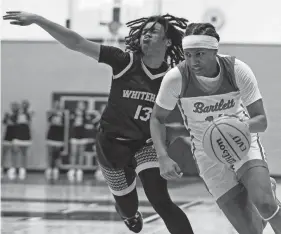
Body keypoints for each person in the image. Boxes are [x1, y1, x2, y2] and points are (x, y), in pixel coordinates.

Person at [3, 12, 194, 234]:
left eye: (153, 31)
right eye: (144, 31)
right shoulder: (124, 61)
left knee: (161, 201)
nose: (146, 34)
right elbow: (76, 42)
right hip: (111, 145)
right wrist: (38, 19)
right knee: (128, 209)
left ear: (167, 40)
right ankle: (129, 214)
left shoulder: (172, 78)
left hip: (145, 145)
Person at [150, 22, 281, 234]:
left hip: (242, 141)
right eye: (188, 54)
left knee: (266, 205)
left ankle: (265, 193)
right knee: (251, 230)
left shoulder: (237, 70)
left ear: (214, 50)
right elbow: (156, 118)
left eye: (199, 54)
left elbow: (261, 121)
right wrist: (162, 157)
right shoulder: (176, 77)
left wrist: (233, 127)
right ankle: (264, 192)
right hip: (206, 153)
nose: (193, 61)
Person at [13, 100, 33, 180]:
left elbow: (29, 123)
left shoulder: (28, 114)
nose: (24, 106)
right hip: (17, 135)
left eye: (26, 105)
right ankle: (14, 168)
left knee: (24, 153)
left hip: (25, 135)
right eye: (23, 105)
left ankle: (22, 169)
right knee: (15, 152)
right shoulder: (16, 114)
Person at [45, 100, 65, 180]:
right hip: (51, 135)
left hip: (59, 135)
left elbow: (64, 124)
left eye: (58, 104)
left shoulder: (63, 114)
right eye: (56, 104)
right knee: (50, 153)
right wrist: (53, 114)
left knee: (57, 153)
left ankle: (56, 169)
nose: (57, 106)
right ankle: (49, 168)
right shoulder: (50, 113)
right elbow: (49, 121)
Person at [2, 102, 19, 179]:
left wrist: (10, 122)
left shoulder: (18, 116)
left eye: (15, 107)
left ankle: (13, 168)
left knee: (14, 153)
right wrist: (6, 118)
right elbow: (4, 122)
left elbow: (15, 124)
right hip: (7, 136)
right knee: (4, 152)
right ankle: (1, 167)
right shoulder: (8, 115)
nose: (14, 108)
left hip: (15, 136)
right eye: (12, 106)